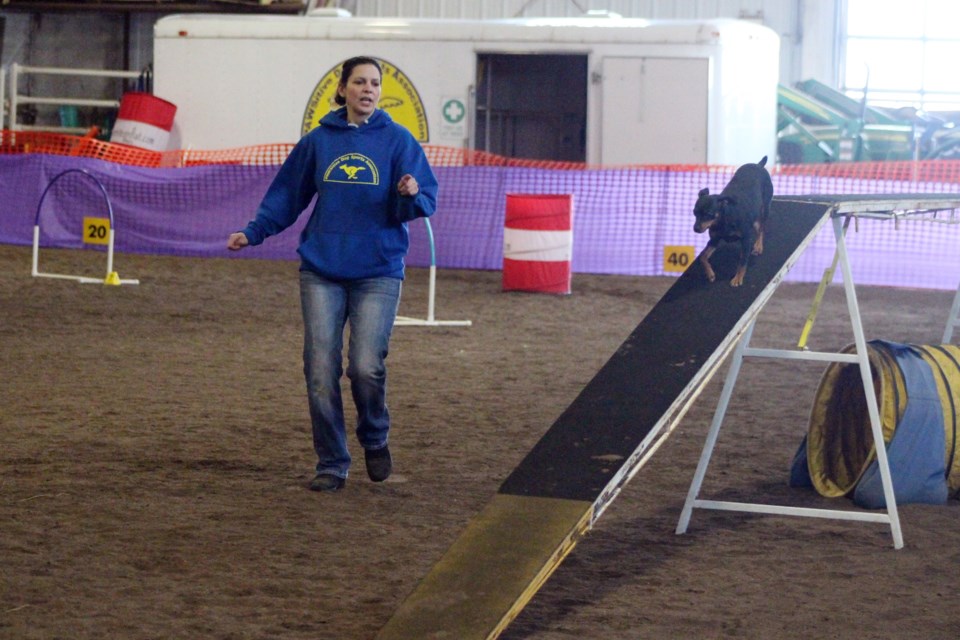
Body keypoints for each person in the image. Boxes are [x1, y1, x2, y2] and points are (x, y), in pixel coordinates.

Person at [227, 56, 438, 492]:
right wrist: (254, 232)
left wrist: (411, 193)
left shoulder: (400, 141)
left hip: (378, 271)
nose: (368, 89)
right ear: (341, 90)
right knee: (320, 369)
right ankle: (332, 463)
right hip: (321, 269)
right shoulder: (318, 142)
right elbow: (287, 196)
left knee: (364, 367)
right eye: (359, 82)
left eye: (375, 83)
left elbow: (425, 201)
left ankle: (375, 436)